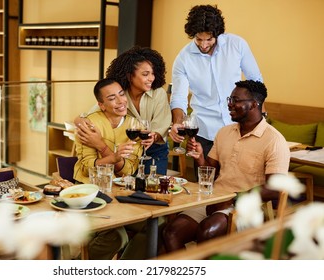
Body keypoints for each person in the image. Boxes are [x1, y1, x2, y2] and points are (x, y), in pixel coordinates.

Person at [162, 80, 290, 253]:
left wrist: (233, 199)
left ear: (254, 104)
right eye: (230, 99)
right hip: (214, 199)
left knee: (207, 232)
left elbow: (275, 188)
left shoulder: (274, 140)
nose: (229, 104)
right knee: (171, 232)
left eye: (235, 100)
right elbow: (210, 172)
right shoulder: (224, 133)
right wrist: (200, 157)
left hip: (247, 206)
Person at [169, 5, 263, 163]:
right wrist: (178, 122)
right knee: (206, 182)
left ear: (218, 34)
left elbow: (256, 82)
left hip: (239, 128)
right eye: (199, 39)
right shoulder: (183, 58)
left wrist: (261, 119)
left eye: (209, 39)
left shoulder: (237, 45)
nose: (203, 45)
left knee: (237, 183)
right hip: (205, 132)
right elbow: (178, 97)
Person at [73, 78, 144, 260]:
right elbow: (89, 165)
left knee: (157, 222)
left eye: (121, 94)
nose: (121, 101)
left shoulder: (135, 126)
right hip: (88, 191)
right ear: (101, 105)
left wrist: (106, 151)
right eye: (112, 98)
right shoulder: (89, 125)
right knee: (115, 235)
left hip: (120, 192)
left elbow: (128, 170)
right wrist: (114, 156)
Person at [75, 46, 172, 175]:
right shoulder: (120, 94)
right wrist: (80, 121)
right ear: (129, 75)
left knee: (154, 188)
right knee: (129, 188)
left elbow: (162, 124)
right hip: (128, 150)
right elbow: (90, 114)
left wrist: (153, 136)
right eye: (145, 74)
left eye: (153, 73)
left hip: (153, 150)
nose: (151, 78)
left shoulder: (158, 94)